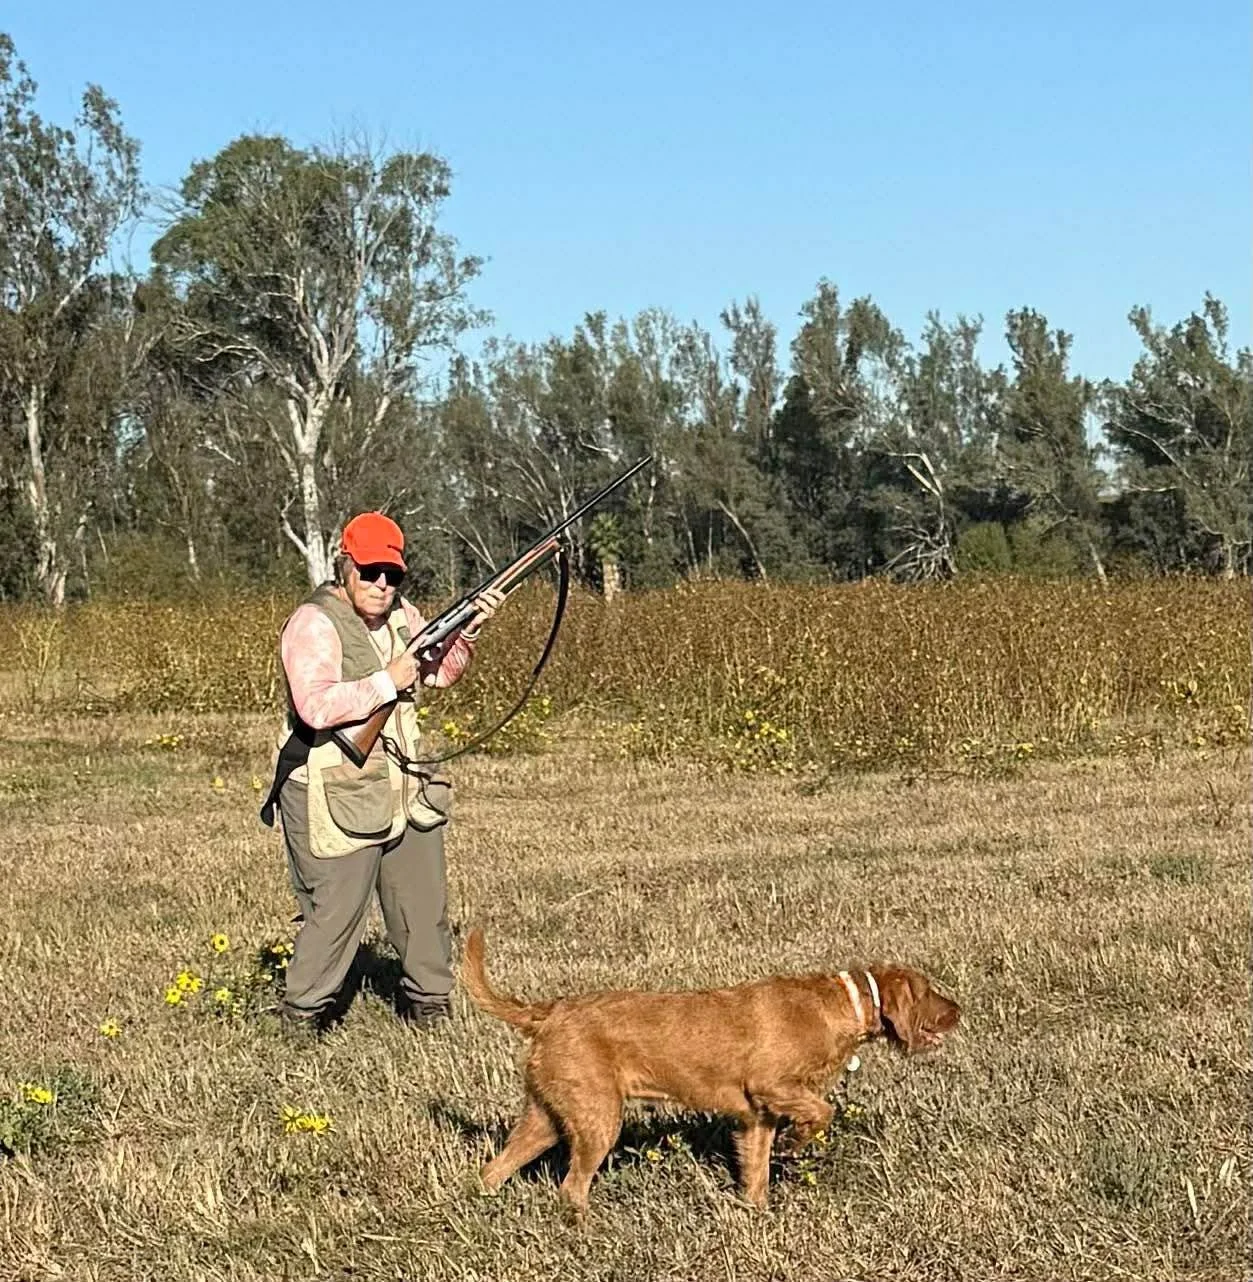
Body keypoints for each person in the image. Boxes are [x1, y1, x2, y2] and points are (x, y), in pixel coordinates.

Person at [264, 511, 503, 1033]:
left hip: (402, 782)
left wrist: (468, 633)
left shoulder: (402, 616)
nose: (381, 585)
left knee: (422, 905)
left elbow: (439, 674)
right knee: (336, 914)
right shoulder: (314, 622)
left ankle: (430, 1005)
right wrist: (386, 681)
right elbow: (315, 706)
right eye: (370, 571)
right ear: (344, 565)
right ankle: (301, 1018)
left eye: (392, 575)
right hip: (333, 788)